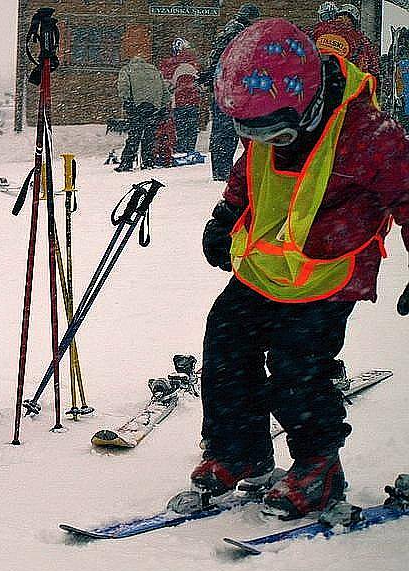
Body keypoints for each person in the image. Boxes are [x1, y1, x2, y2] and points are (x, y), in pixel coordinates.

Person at [194, 18, 409, 519]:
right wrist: (226, 217)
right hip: (267, 266)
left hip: (330, 270)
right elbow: (247, 173)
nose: (264, 140)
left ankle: (318, 465)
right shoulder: (268, 111)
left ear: (308, 101)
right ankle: (238, 450)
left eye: (273, 131)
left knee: (298, 365)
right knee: (226, 340)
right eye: (251, 131)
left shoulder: (370, 134)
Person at [197, 3, 260, 181]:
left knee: (222, 131)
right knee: (229, 132)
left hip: (223, 88)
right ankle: (224, 171)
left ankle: (222, 169)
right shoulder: (240, 33)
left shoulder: (229, 30)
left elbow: (218, 59)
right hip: (232, 90)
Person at [114, 52, 171, 171]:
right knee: (149, 136)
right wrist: (162, 106)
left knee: (134, 136)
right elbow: (165, 92)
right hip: (154, 108)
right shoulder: (154, 70)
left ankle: (127, 162)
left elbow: (123, 87)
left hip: (137, 107)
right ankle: (148, 161)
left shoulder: (127, 69)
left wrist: (126, 101)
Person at [310, 3, 380, 79]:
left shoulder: (318, 29)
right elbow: (372, 63)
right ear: (354, 22)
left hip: (315, 74)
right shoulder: (359, 38)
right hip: (343, 79)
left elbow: (302, 42)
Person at [159, 38, 201, 154]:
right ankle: (190, 149)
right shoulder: (194, 64)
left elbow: (167, 85)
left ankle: (181, 148)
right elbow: (200, 83)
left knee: (180, 127)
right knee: (192, 128)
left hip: (178, 102)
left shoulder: (170, 65)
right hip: (194, 102)